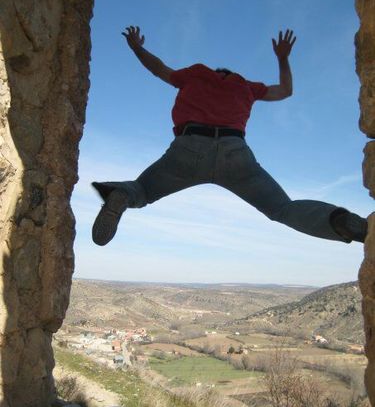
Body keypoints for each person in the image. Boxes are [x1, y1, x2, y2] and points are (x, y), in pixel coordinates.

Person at [91, 26, 367, 247]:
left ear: (216, 72)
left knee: (143, 190)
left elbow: (158, 68)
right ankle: (338, 221)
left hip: (189, 147)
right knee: (282, 208)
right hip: (235, 153)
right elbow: (285, 91)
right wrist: (283, 58)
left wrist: (137, 47)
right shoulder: (245, 86)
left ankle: (120, 195)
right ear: (232, 75)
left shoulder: (196, 74)